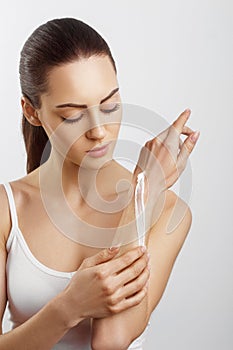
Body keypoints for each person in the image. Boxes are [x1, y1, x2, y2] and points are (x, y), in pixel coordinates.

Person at [0, 17, 200, 350]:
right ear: (32, 112)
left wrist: (143, 191)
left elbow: (111, 341)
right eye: (73, 115)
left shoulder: (166, 209)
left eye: (109, 106)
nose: (98, 130)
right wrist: (70, 306)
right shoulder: (8, 209)